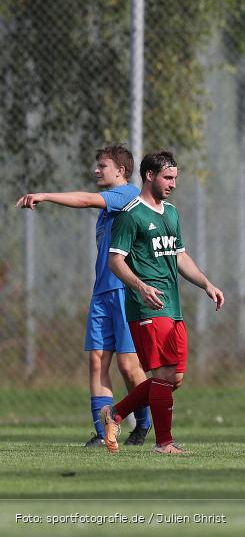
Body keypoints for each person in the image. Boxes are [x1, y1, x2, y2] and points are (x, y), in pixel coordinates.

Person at [15, 145, 152, 447]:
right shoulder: (108, 211)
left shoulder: (127, 195)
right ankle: (104, 433)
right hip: (102, 293)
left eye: (102, 166)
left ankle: (144, 424)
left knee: (129, 367)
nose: (96, 170)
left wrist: (45, 195)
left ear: (120, 171)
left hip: (125, 293)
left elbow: (87, 199)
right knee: (96, 362)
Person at [99, 150, 224, 455]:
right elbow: (115, 261)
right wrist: (140, 287)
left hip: (172, 306)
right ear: (149, 176)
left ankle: (114, 414)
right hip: (147, 307)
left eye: (175, 178)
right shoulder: (131, 215)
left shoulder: (171, 213)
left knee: (174, 379)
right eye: (168, 177)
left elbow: (179, 255)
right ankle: (164, 443)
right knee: (164, 377)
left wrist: (206, 283)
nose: (173, 184)